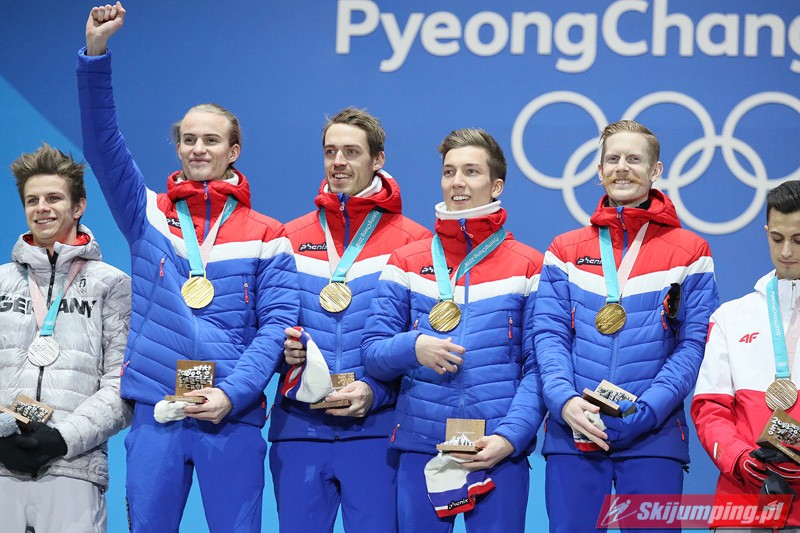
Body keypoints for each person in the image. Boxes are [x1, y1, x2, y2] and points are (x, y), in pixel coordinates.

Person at [78, 4, 299, 532]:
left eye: (211, 140)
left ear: (233, 151)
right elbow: (102, 145)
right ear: (177, 147)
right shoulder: (147, 214)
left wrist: (232, 394)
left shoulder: (268, 235)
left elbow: (276, 327)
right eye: (189, 139)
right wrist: (95, 55)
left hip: (232, 416)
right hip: (158, 413)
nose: (199, 149)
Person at [533, 120, 718, 531]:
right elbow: (548, 335)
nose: (622, 167)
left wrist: (646, 410)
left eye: (634, 159)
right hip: (574, 431)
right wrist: (565, 401)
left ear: (656, 170)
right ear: (599, 170)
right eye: (613, 159)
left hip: (654, 435)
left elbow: (693, 345)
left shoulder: (691, 252)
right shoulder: (565, 249)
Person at [362, 128, 545, 532]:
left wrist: (510, 437)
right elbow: (372, 351)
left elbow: (539, 367)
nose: (457, 182)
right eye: (449, 172)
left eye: (471, 171)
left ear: (496, 186)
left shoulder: (529, 266)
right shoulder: (406, 261)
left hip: (496, 450)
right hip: (421, 445)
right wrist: (413, 347)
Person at [268, 107, 430, 533]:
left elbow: (419, 344)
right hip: (300, 429)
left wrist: (374, 390)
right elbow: (265, 326)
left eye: (351, 152)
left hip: (377, 429)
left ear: (378, 159)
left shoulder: (415, 243)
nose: (338, 161)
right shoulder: (287, 238)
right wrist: (284, 352)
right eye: (330, 151)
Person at [0, 143, 132, 532]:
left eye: (54, 198)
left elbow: (122, 384)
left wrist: (61, 439)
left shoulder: (112, 284)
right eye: (32, 200)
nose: (42, 208)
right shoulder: (1, 281)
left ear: (78, 207)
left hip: (73, 467)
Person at [692, 180, 800, 529]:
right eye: (777, 238)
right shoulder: (730, 316)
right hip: (742, 504)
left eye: (799, 240)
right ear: (766, 233)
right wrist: (739, 459)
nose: (786, 252)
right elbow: (710, 408)